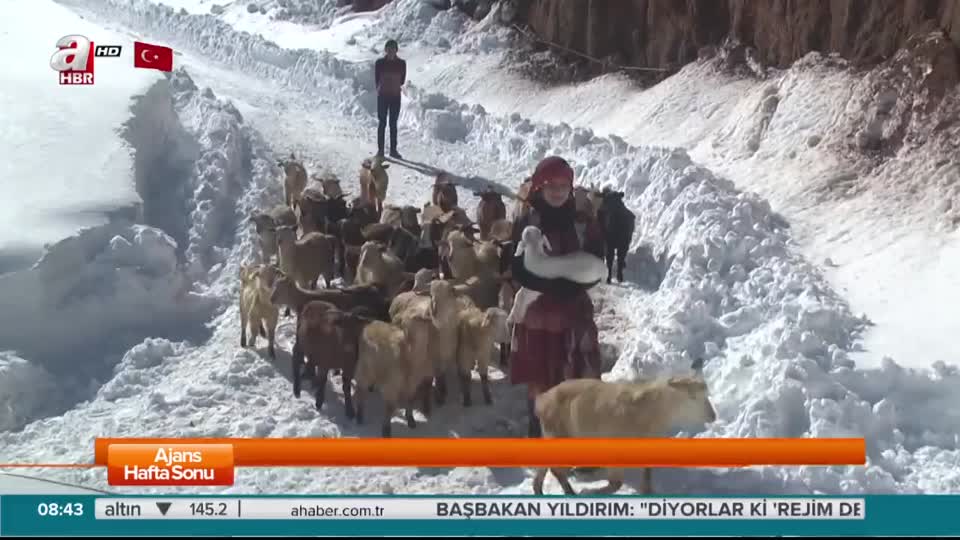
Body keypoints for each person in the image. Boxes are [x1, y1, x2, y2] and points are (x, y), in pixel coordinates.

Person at [508, 155, 605, 438]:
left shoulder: (583, 222)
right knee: (542, 378)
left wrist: (571, 286)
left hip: (575, 311)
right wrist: (548, 284)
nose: (558, 191)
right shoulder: (529, 220)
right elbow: (515, 266)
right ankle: (539, 433)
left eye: (564, 185)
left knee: (580, 377)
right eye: (552, 185)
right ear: (539, 186)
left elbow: (597, 263)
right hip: (540, 313)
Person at [374, 39, 406, 159]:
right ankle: (380, 150)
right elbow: (376, 79)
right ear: (385, 50)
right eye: (389, 49)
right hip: (382, 96)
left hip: (395, 97)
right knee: (382, 123)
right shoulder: (379, 63)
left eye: (393, 48)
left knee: (393, 124)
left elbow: (402, 80)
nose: (391, 51)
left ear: (396, 50)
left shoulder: (402, 63)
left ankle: (393, 150)